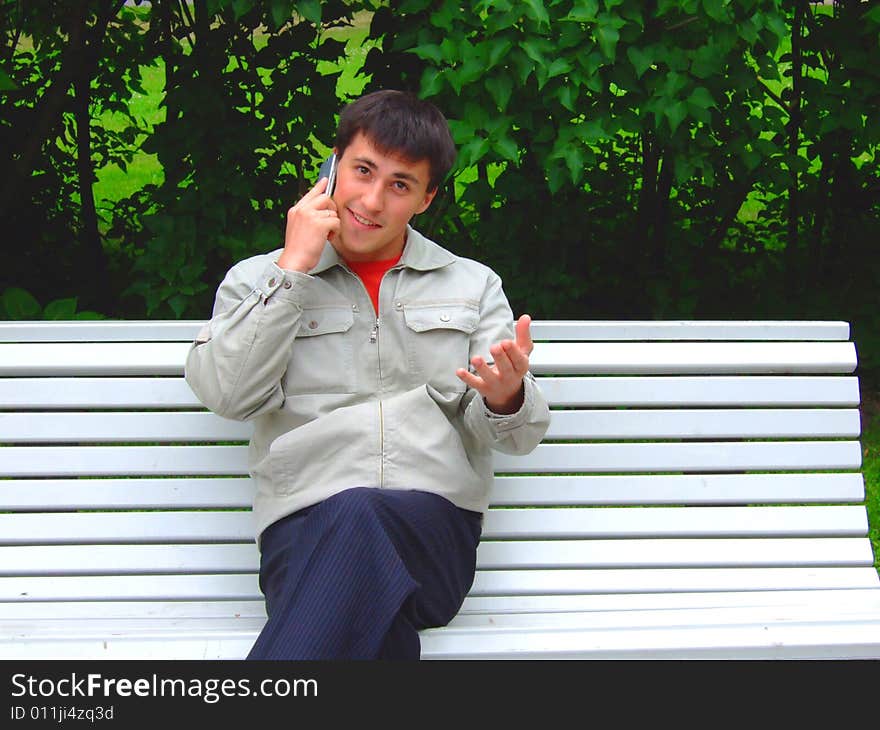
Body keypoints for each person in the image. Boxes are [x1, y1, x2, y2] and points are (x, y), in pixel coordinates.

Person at [184, 90, 550, 660]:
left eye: (400, 185)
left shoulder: (472, 285)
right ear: (333, 166)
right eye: (362, 171)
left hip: (432, 533)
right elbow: (228, 394)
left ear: (425, 199)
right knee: (377, 625)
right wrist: (294, 269)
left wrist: (505, 399)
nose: (372, 200)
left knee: (357, 518)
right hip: (301, 532)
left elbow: (518, 436)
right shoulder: (259, 280)